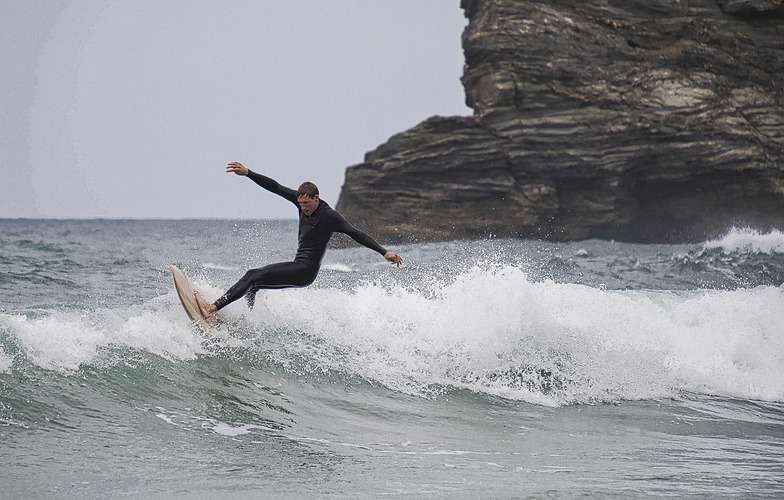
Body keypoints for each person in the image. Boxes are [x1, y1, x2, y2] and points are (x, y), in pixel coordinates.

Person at [195, 162, 403, 319]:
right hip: (298, 266)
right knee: (254, 285)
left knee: (252, 275)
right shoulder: (299, 201)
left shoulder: (330, 216)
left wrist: (384, 252)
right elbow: (275, 187)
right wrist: (248, 173)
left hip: (305, 271)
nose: (303, 207)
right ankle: (245, 321)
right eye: (300, 203)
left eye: (306, 203)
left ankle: (211, 308)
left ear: (316, 198)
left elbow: (355, 233)